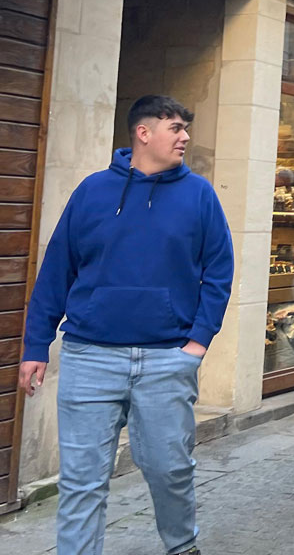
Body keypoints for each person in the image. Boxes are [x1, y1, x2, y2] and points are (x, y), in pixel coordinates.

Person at [19, 95, 234, 555]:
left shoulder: (199, 194)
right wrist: (36, 345)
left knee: (169, 469)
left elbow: (219, 272)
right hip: (89, 356)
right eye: (176, 128)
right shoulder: (93, 191)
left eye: (185, 128)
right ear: (143, 132)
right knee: (81, 480)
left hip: (166, 359)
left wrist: (197, 343)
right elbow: (57, 270)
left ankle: (182, 545)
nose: (185, 137)